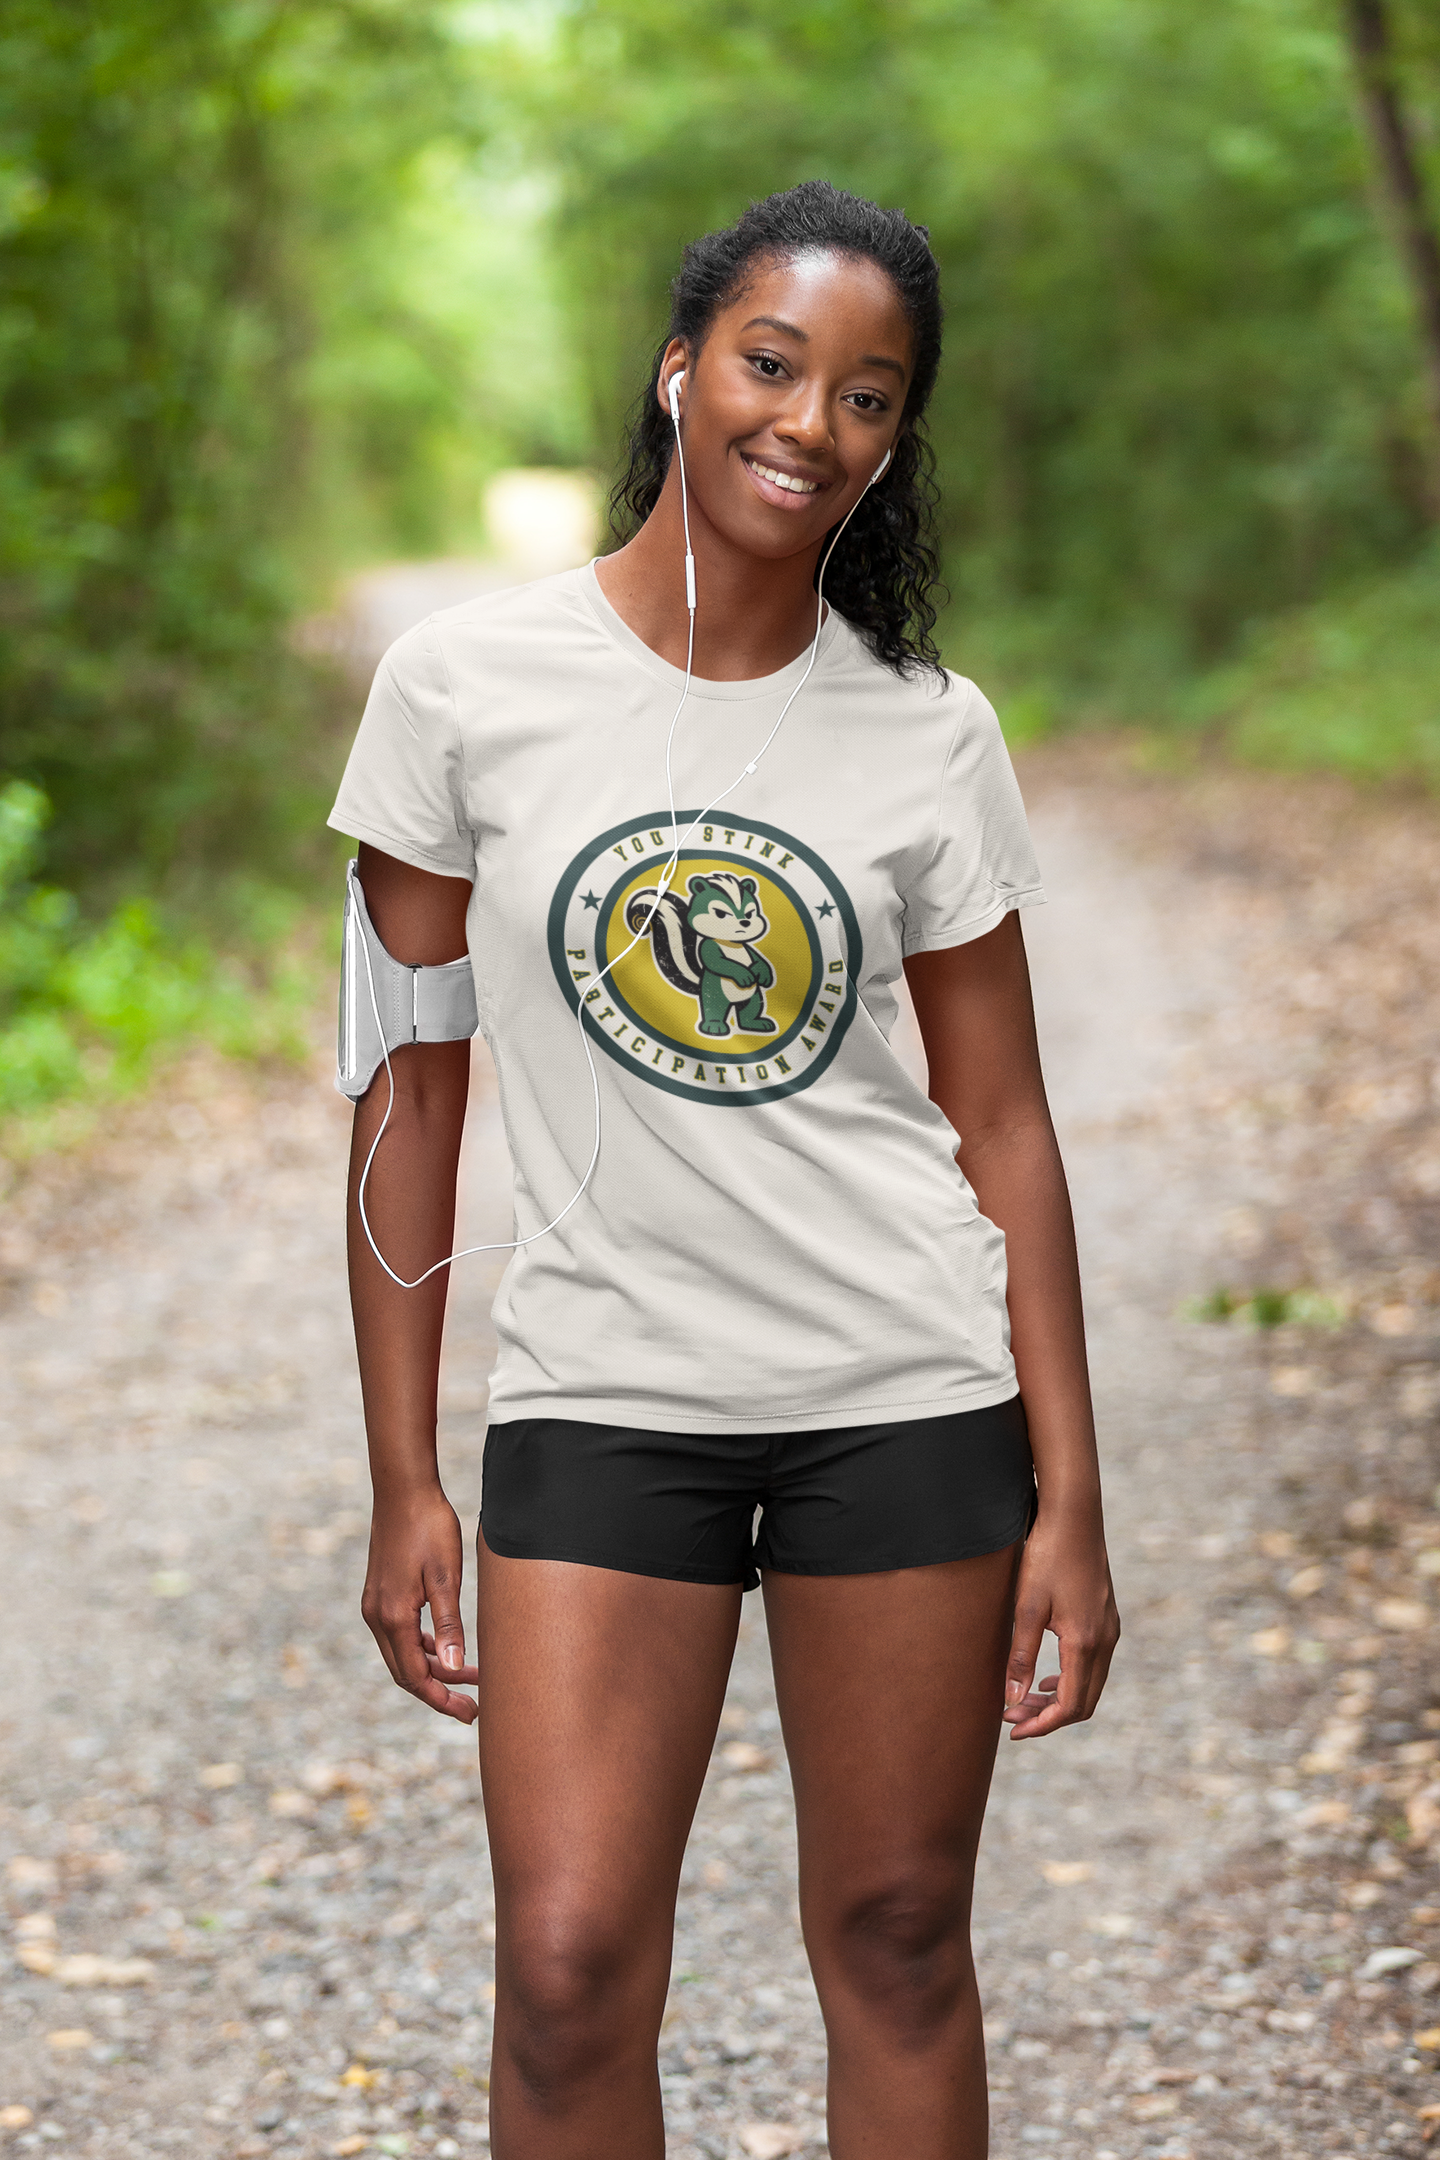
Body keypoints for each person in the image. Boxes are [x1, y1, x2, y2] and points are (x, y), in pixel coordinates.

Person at [328, 180, 1120, 2160]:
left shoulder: (929, 735)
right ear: (681, 370)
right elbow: (407, 1092)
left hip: (904, 1399)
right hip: (604, 1399)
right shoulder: (461, 689)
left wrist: (1076, 1500)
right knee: (570, 1965)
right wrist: (403, 1473)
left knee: (900, 1934)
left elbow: (1004, 1126)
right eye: (773, 363)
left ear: (896, 439)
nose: (811, 422)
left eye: (871, 396)